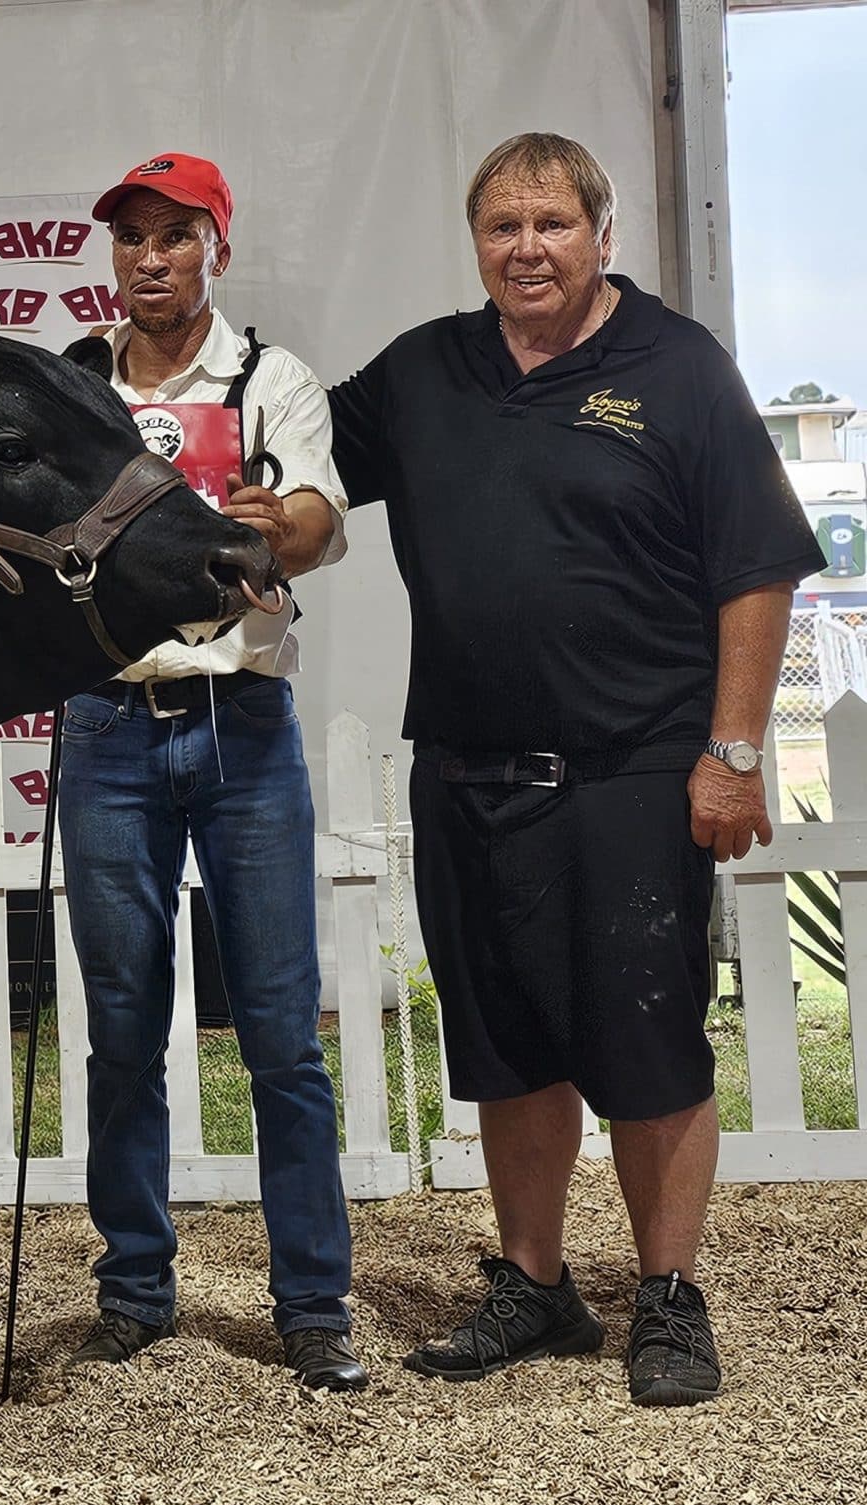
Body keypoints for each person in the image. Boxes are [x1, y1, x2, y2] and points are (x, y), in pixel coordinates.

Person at [327, 132, 816, 1406]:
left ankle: (665, 1295)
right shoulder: (427, 368)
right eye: (500, 226)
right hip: (469, 769)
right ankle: (536, 1286)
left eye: (550, 222)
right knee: (507, 1042)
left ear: (603, 234)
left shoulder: (678, 369)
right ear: (475, 241)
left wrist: (732, 753)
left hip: (637, 770)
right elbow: (297, 460)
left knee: (648, 1038)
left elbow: (755, 569)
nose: (525, 248)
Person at [56, 152, 364, 1392]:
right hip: (109, 724)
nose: (149, 258)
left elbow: (322, 521)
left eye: (174, 236)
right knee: (122, 1029)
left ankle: (312, 1301)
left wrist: (273, 522)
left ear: (214, 249)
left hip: (241, 721)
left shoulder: (266, 379)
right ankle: (135, 1284)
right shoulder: (74, 383)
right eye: (131, 236)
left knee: (282, 1034)